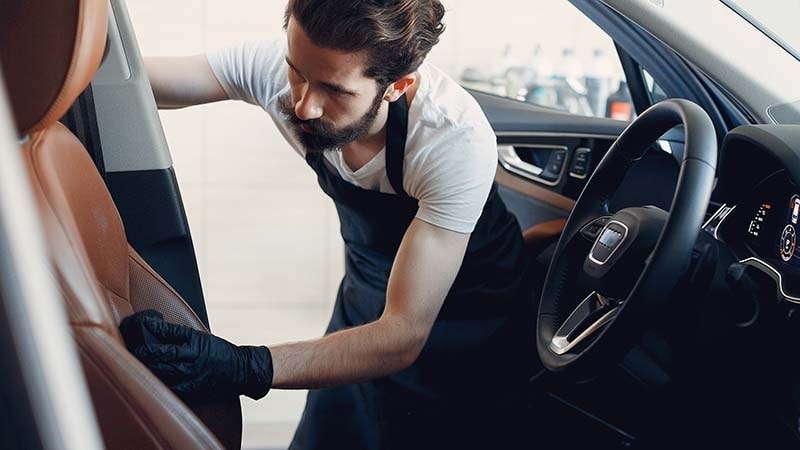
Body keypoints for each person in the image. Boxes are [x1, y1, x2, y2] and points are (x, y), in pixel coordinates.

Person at [122, 1, 535, 448]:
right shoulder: (282, 71)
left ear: (397, 86)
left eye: (334, 90)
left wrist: (246, 366)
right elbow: (134, 85)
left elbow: (401, 335)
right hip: (367, 297)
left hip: (469, 323)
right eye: (296, 72)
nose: (303, 106)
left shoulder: (451, 140)